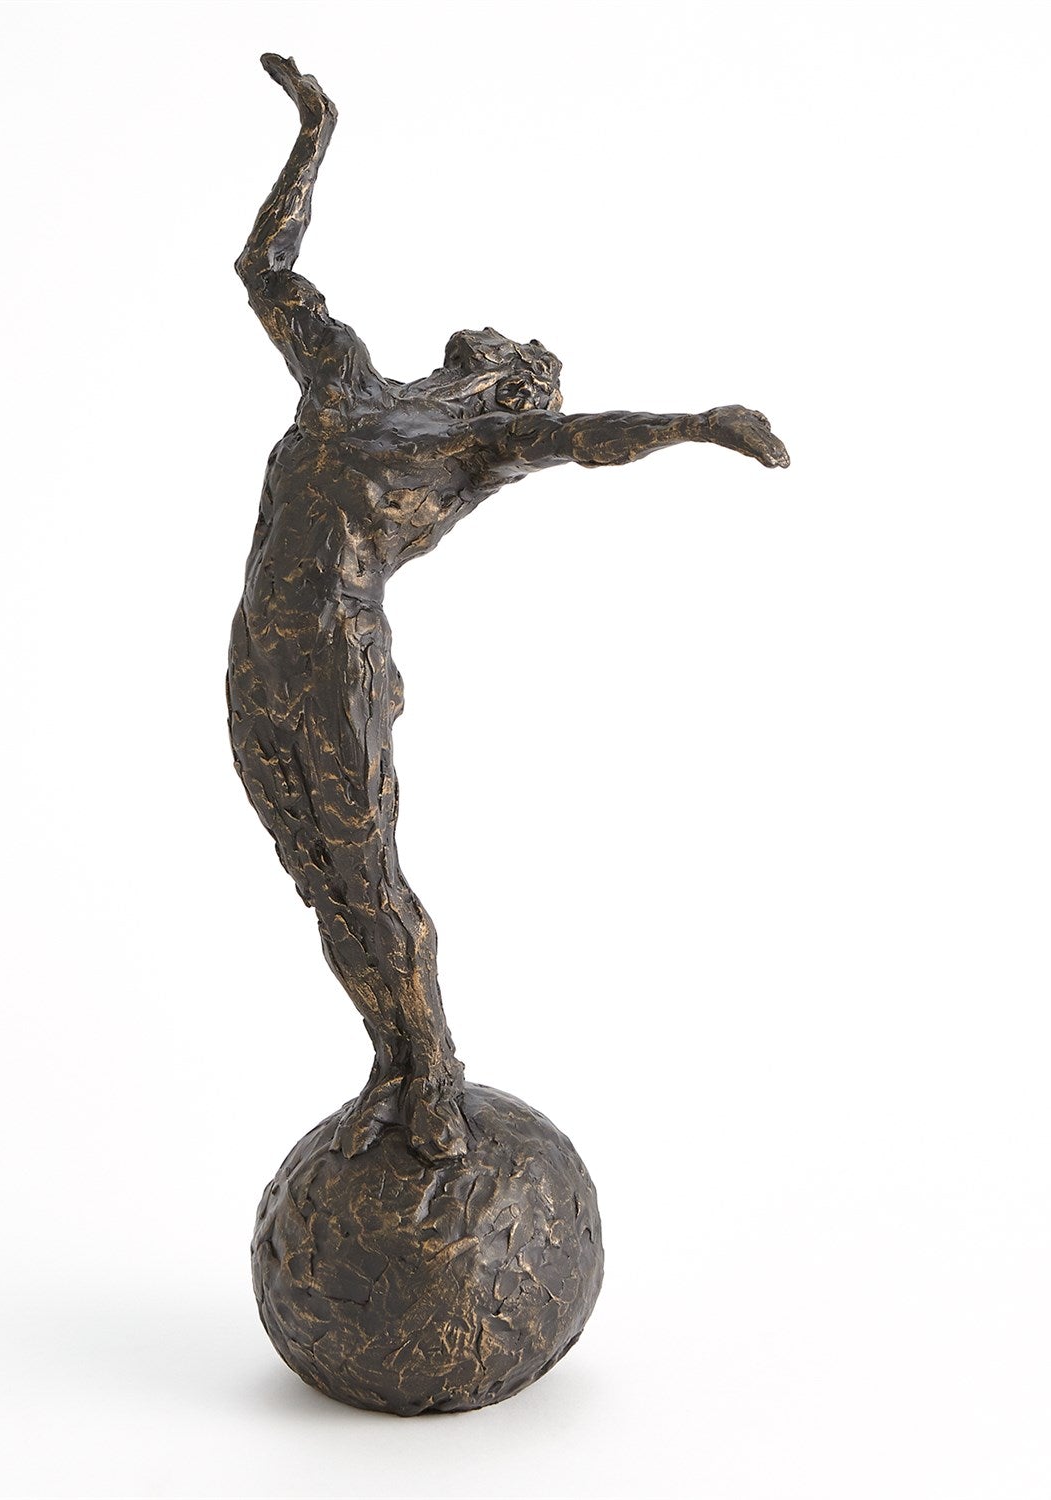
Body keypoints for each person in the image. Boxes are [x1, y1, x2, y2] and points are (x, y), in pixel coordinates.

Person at [226, 54, 789, 1163]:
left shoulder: (479, 447)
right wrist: (315, 132)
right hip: (255, 657)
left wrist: (695, 423)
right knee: (319, 882)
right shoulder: (344, 381)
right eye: (495, 356)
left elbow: (584, 440)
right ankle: (391, 1062)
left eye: (519, 374)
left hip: (337, 662)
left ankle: (431, 1070)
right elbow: (264, 268)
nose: (494, 361)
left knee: (366, 877)